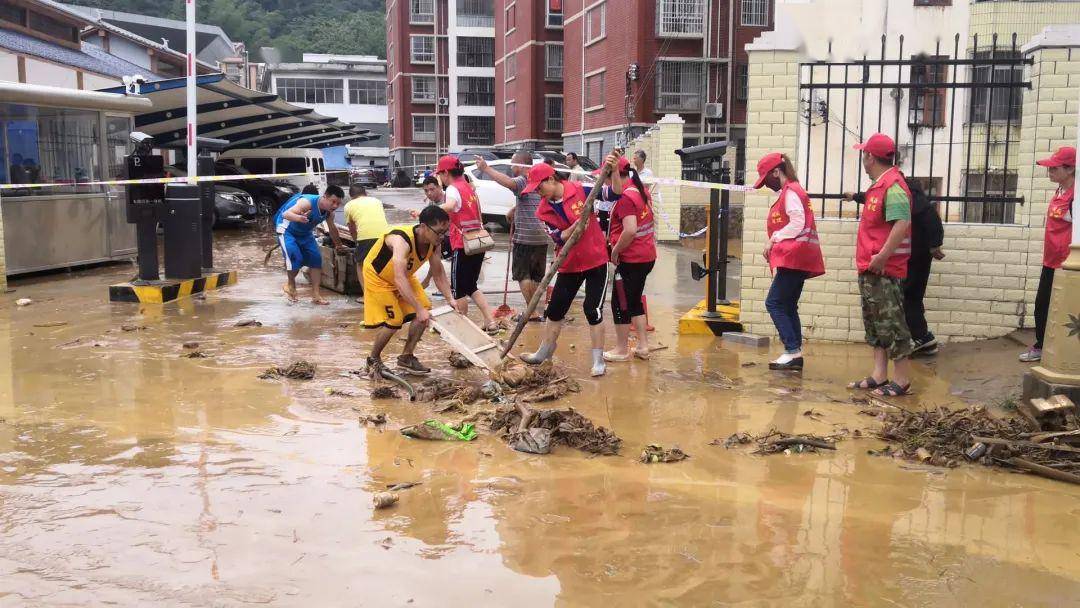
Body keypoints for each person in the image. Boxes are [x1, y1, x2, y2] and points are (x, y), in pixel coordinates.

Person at [518, 163, 610, 377]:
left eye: (539, 188)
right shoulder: (543, 209)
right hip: (568, 262)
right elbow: (557, 237)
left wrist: (611, 172)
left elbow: (611, 193)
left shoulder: (581, 189)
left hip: (596, 259)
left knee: (592, 310)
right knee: (555, 309)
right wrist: (575, 227)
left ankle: (598, 360)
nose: (538, 193)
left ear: (551, 180)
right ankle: (544, 352)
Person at [846, 133, 915, 397]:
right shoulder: (879, 185)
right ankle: (879, 374)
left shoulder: (893, 185)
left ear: (871, 157)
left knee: (893, 323)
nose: (863, 159)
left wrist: (884, 255)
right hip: (870, 267)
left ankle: (901, 379)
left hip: (885, 269)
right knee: (875, 323)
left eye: (864, 154)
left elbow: (902, 222)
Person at [844, 182, 945, 356]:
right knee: (911, 297)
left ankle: (923, 338)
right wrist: (854, 196)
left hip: (916, 256)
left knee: (908, 297)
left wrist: (935, 244)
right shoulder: (905, 195)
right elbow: (875, 199)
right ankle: (923, 339)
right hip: (916, 255)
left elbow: (932, 219)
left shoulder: (909, 196)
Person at [362, 206, 456, 375]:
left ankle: (406, 357)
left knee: (426, 311)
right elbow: (399, 279)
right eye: (439, 232)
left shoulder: (434, 244)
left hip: (405, 276)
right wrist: (417, 308)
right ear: (424, 227)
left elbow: (438, 272)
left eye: (445, 232)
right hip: (379, 278)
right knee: (394, 321)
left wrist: (450, 298)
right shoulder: (401, 240)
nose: (442, 237)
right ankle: (373, 359)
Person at [755, 152, 825, 371]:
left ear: (777, 172)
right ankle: (795, 352)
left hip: (794, 256)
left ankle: (792, 351)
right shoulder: (793, 190)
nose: (766, 185)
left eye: (766, 179)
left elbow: (797, 222)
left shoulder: (791, 192)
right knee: (788, 304)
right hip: (799, 256)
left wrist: (773, 239)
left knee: (774, 303)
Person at [474, 153, 549, 322]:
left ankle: (532, 312)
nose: (510, 168)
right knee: (536, 276)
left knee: (523, 275)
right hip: (542, 235)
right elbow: (533, 201)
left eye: (512, 164)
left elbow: (507, 182)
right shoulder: (539, 181)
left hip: (525, 236)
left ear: (522, 165)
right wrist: (515, 210)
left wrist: (486, 168)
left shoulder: (524, 179)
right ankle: (534, 310)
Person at [600, 151, 657, 362]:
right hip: (646, 255)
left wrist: (615, 251)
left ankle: (622, 349)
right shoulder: (640, 190)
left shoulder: (625, 198)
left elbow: (630, 230)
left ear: (613, 175)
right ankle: (642, 346)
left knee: (620, 302)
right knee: (634, 302)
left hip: (632, 259)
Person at [1021, 146, 1075, 362]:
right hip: (1051, 260)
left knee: (1064, 308)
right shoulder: (1060, 191)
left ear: (1070, 169)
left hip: (1067, 264)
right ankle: (1042, 345)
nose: (1049, 172)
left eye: (1054, 168)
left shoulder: (1075, 196)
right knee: (1042, 305)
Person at [432, 155, 498, 332]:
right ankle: (490, 321)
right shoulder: (469, 187)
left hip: (463, 245)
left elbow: (451, 205)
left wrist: (430, 211)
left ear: (446, 173)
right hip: (478, 242)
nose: (441, 179)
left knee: (459, 289)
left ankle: (464, 329)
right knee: (471, 286)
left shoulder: (453, 188)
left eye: (440, 175)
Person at [274, 185, 347, 304]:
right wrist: (299, 218)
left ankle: (316, 295)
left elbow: (332, 229)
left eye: (338, 203)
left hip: (305, 233)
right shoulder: (306, 203)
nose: (335, 206)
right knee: (295, 258)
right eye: (333, 202)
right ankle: (290, 285)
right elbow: (286, 214)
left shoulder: (329, 213)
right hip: (287, 231)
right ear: (325, 197)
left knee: (316, 260)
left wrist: (338, 245)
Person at [343, 183, 389, 295]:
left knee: (360, 263)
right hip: (385, 236)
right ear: (365, 193)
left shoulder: (349, 205)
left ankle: (367, 295)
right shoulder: (376, 201)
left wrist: (356, 242)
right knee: (383, 263)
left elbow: (352, 228)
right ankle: (386, 291)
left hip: (365, 237)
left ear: (351, 196)